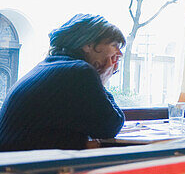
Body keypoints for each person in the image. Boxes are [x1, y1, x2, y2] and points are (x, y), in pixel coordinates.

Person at [0, 14, 126, 151]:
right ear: (87, 44)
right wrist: (102, 80)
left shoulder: (49, 66)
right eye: (114, 45)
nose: (120, 53)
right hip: (23, 169)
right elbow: (110, 126)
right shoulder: (80, 72)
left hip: (14, 162)